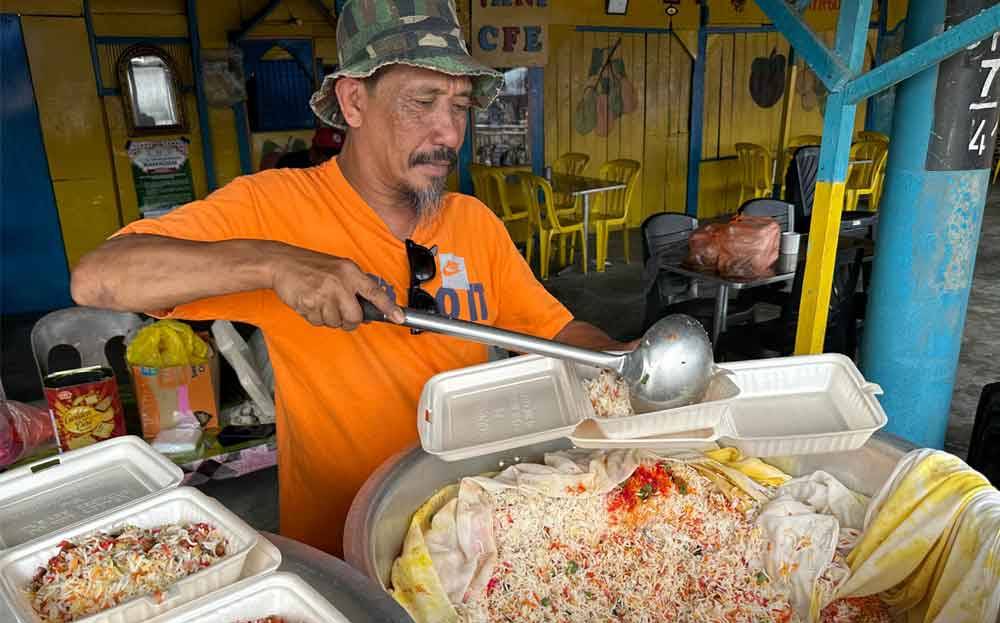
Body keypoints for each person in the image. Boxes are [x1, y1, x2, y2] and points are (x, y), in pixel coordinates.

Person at [71, 0, 627, 557]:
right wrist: (276, 263)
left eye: (459, 106)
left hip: (470, 536)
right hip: (339, 545)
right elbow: (99, 278)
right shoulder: (274, 207)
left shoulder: (473, 222)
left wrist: (627, 365)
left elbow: (559, 334)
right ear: (353, 100)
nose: (449, 133)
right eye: (422, 101)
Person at [275, 126, 344, 168]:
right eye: (327, 156)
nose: (331, 160)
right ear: (313, 152)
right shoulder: (289, 165)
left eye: (335, 156)